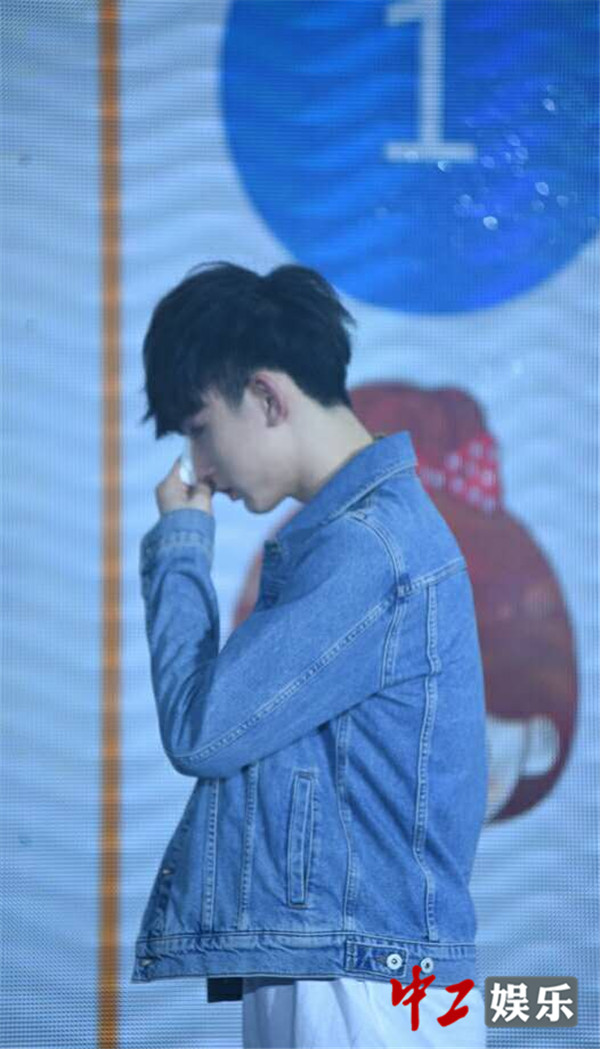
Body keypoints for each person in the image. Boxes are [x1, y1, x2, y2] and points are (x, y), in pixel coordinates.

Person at [131, 261, 489, 1048]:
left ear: (266, 396)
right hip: (348, 968)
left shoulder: (368, 548)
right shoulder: (361, 538)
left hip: (364, 990)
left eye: (199, 427)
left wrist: (181, 546)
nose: (198, 466)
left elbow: (203, 729)